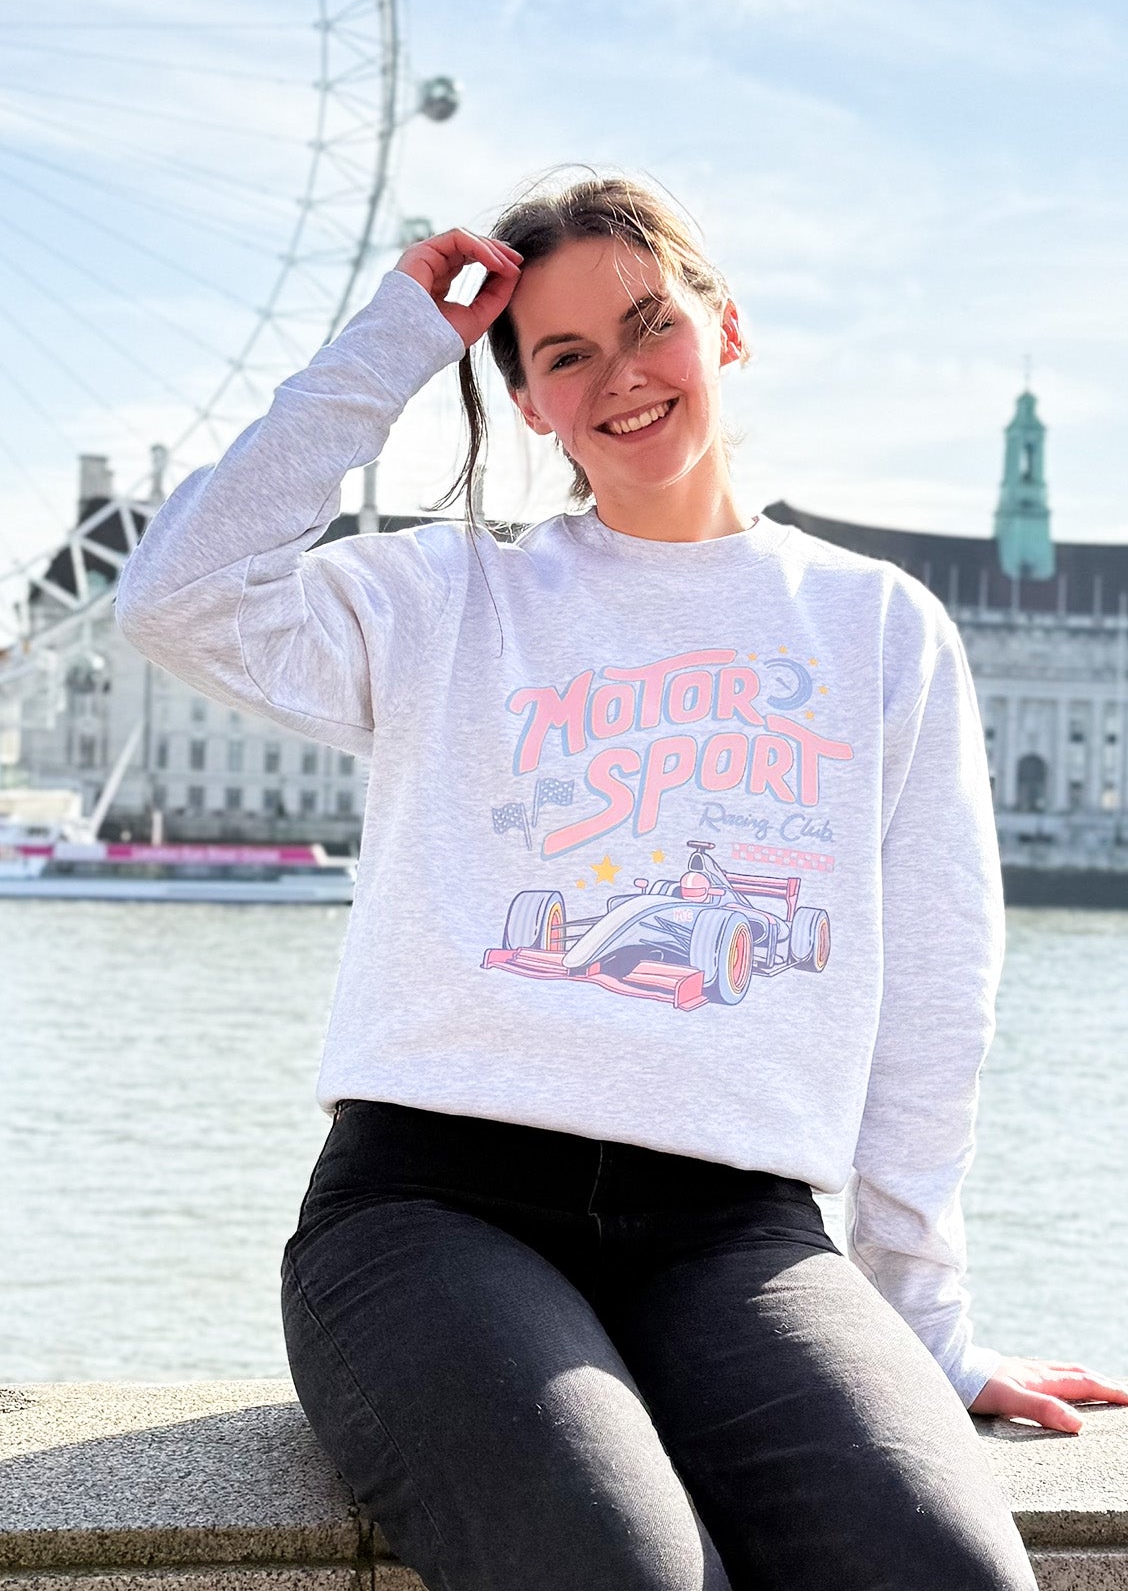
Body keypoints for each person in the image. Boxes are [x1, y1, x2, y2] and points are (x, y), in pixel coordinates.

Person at [116, 175, 1126, 1591]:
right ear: (529, 402)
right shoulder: (446, 599)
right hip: (433, 1213)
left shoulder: (879, 627)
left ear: (727, 329)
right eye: (565, 354)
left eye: (650, 324)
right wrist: (391, 348)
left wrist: (924, 1326)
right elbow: (174, 596)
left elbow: (933, 999)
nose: (620, 377)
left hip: (738, 1233)